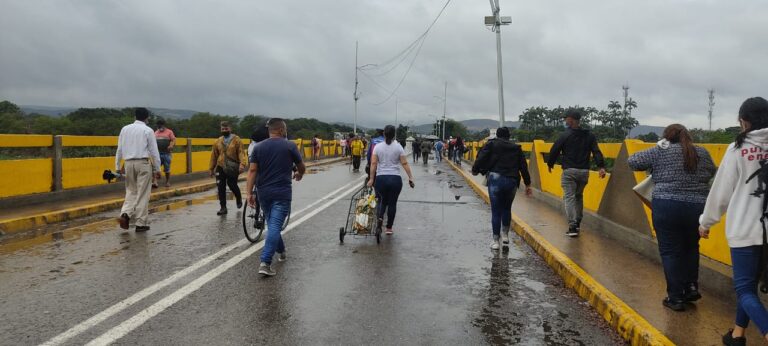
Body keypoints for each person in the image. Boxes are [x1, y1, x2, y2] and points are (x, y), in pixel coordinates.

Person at [699, 97, 768, 345]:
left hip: (745, 230)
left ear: (744, 121)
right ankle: (737, 335)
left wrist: (706, 222)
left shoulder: (738, 148)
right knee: (749, 287)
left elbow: (721, 192)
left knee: (745, 289)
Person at [627, 124, 716, 312]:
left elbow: (633, 161)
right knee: (691, 247)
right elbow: (711, 171)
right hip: (697, 207)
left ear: (667, 137)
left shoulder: (661, 151)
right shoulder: (702, 152)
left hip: (666, 205)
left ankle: (675, 297)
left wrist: (659, 146)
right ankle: (691, 288)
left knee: (670, 251)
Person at [247, 118, 306, 277]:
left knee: (272, 223)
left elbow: (252, 171)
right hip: (282, 193)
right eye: (285, 129)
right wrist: (299, 173)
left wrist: (249, 193)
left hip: (263, 193)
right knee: (274, 226)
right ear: (281, 130)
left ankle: (281, 250)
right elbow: (301, 166)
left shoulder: (258, 147)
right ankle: (265, 262)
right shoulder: (290, 146)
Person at [547, 109, 606, 237]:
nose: (564, 120)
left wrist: (550, 163)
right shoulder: (589, 135)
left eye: (566, 118)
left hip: (569, 172)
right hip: (584, 172)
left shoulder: (565, 135)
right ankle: (578, 223)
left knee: (569, 197)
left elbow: (555, 149)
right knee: (578, 196)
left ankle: (572, 226)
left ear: (572, 120)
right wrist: (601, 166)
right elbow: (596, 151)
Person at [472, 127, 533, 250]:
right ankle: (505, 236)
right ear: (509, 136)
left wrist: (475, 170)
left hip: (496, 179)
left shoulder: (492, 144)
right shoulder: (516, 148)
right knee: (506, 208)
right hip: (512, 181)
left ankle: (495, 241)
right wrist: (528, 184)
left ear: (497, 135)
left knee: (496, 211)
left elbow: (481, 157)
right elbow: (523, 166)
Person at [115, 107, 161, 232]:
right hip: (143, 163)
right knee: (143, 194)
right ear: (147, 118)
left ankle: (125, 214)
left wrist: (118, 167)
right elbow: (154, 151)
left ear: (135, 117)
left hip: (128, 163)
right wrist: (157, 168)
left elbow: (119, 149)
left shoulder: (125, 129)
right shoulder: (148, 130)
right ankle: (141, 223)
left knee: (131, 191)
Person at [367, 125, 415, 235]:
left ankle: (380, 220)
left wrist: (371, 179)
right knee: (392, 204)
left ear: (384, 134)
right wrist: (410, 177)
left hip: (381, 179)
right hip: (395, 179)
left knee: (381, 201)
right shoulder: (398, 147)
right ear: (394, 135)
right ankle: (389, 228)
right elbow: (404, 163)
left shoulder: (377, 147)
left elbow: (373, 163)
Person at [209, 121, 248, 215]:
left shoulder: (237, 140)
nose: (224, 130)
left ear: (230, 129)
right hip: (220, 166)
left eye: (226, 129)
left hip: (232, 166)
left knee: (232, 184)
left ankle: (238, 197)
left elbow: (241, 152)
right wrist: (211, 168)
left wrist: (242, 164)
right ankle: (223, 208)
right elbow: (214, 155)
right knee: (220, 186)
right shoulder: (218, 141)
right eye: (223, 129)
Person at [152, 119, 176, 188]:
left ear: (164, 125)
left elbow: (173, 140)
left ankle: (167, 181)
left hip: (166, 153)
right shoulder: (155, 132)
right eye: (158, 126)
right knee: (155, 168)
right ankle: (155, 182)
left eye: (161, 126)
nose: (159, 127)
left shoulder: (169, 132)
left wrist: (171, 145)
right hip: (157, 154)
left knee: (167, 168)